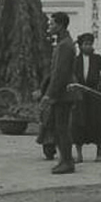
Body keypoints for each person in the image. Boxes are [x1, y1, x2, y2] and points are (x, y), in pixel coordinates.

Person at [41, 12, 77, 174]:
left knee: (62, 128)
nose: (49, 26)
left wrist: (50, 94)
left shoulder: (65, 45)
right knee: (59, 127)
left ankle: (67, 161)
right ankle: (64, 159)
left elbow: (60, 73)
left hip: (63, 93)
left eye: (52, 23)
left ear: (60, 25)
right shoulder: (64, 43)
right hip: (62, 92)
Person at [71, 32, 101, 162]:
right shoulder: (75, 60)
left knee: (97, 122)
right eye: (85, 44)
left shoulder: (97, 58)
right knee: (78, 123)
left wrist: (99, 79)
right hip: (80, 96)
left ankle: (99, 152)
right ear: (80, 46)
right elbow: (70, 74)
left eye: (90, 44)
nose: (88, 47)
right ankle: (79, 154)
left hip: (94, 95)